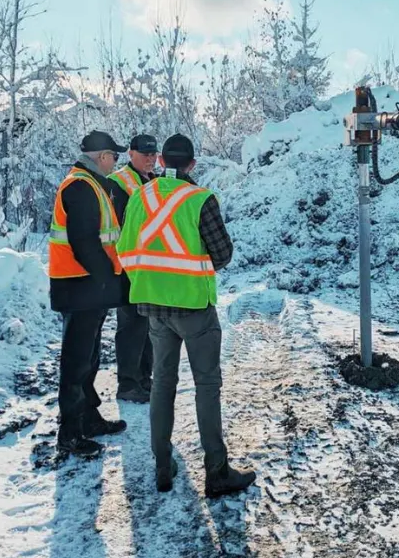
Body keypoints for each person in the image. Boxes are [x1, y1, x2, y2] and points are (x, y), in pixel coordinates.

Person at [117, 133, 256, 496]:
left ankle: (162, 466)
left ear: (161, 160)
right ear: (193, 164)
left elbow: (125, 248)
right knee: (206, 386)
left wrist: (149, 281)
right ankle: (217, 471)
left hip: (153, 308)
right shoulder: (200, 199)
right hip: (194, 307)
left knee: (162, 383)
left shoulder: (140, 196)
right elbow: (222, 255)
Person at [49, 130, 129, 457]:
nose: (116, 162)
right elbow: (84, 243)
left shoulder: (91, 183)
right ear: (101, 156)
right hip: (80, 287)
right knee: (76, 362)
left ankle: (89, 419)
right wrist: (106, 281)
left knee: (89, 359)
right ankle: (69, 433)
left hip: (87, 288)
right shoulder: (81, 187)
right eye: (114, 156)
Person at [108, 134, 158, 403]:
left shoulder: (152, 180)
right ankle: (127, 383)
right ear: (131, 154)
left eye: (153, 153)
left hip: (147, 265)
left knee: (146, 324)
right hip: (127, 265)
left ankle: (143, 379)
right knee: (131, 325)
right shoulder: (119, 182)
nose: (150, 158)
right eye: (145, 153)